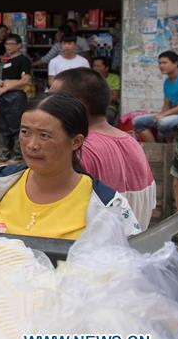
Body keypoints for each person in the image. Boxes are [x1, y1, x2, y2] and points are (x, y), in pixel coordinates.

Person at [0, 92, 140, 240]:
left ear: (76, 142)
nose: (32, 145)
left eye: (44, 135)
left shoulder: (107, 205)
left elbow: (129, 260)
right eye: (25, 132)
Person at [50, 68, 155, 230]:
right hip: (133, 249)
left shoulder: (79, 149)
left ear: (78, 105)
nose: (45, 105)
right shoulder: (132, 142)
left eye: (53, 99)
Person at [0, 34, 32, 162]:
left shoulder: (23, 60)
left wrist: (6, 88)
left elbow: (25, 80)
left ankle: (18, 154)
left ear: (19, 45)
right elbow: (6, 80)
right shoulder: (8, 61)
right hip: (4, 97)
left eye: (11, 43)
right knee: (4, 125)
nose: (8, 46)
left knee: (16, 125)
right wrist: (1, 85)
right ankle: (6, 151)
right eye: (6, 44)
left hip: (16, 96)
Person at [132, 50, 178, 142]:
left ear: (176, 63)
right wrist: (160, 115)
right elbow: (167, 104)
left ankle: (171, 146)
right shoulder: (167, 82)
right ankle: (155, 147)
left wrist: (163, 115)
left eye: (165, 62)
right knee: (138, 121)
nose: (161, 66)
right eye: (160, 63)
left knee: (163, 122)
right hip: (173, 115)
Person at [91, 56, 121, 125]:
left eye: (98, 66)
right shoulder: (90, 78)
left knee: (105, 116)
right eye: (94, 66)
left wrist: (95, 97)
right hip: (92, 108)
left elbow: (114, 97)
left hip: (109, 108)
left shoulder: (114, 78)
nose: (95, 68)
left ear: (106, 68)